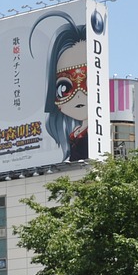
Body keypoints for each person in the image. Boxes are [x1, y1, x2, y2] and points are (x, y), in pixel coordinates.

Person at [30, 9, 98, 162]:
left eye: (87, 83)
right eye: (65, 87)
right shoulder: (74, 132)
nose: (79, 94)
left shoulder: (93, 132)